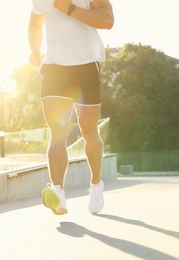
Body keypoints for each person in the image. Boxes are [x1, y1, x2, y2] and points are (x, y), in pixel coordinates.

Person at [28, 0, 114, 215]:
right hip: (55, 68)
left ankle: (96, 185)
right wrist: (34, 50)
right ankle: (58, 192)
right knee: (57, 132)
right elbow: (35, 23)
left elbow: (107, 20)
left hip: (86, 66)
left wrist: (71, 9)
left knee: (88, 131)